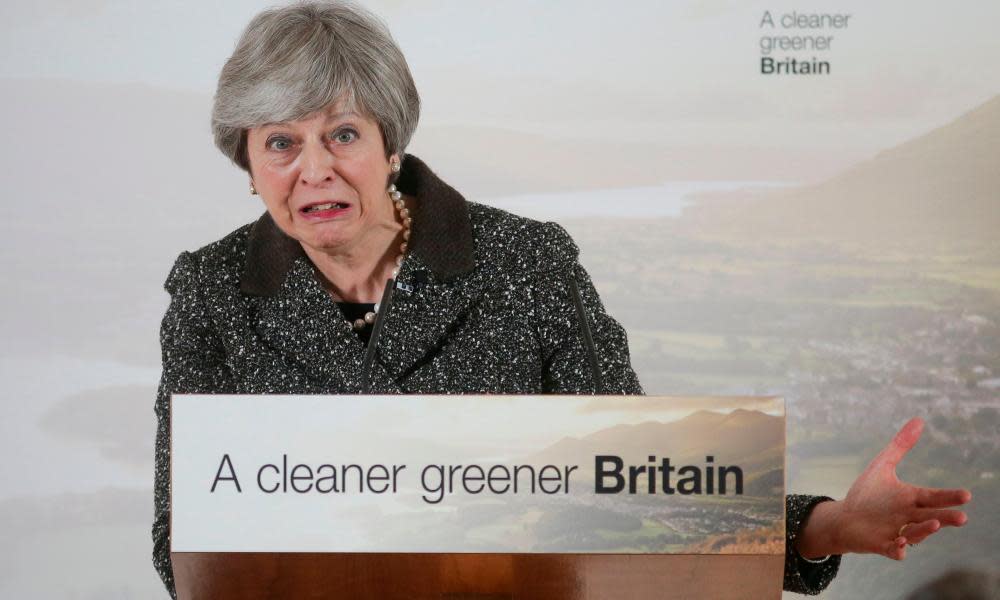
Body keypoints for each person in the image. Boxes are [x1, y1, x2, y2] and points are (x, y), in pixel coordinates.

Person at [152, 2, 972, 598]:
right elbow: (179, 544)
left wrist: (829, 525)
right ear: (249, 164)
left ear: (391, 144)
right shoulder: (209, 293)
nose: (314, 168)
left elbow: (644, 493)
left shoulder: (527, 264)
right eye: (281, 143)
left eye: (342, 134)